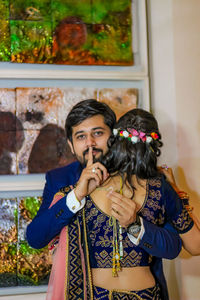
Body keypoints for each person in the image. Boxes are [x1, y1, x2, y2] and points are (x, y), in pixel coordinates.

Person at [26, 100, 186, 299]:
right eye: (81, 136)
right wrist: (75, 196)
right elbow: (35, 238)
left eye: (98, 133)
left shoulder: (143, 178)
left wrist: (136, 225)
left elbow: (173, 247)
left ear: (114, 136)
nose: (90, 142)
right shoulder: (60, 180)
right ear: (71, 145)